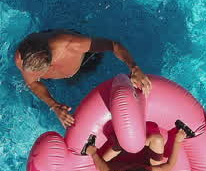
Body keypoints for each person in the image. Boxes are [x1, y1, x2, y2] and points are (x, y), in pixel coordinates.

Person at [14, 30, 152, 127]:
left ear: (51, 62)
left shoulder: (71, 44)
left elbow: (113, 45)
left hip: (84, 61)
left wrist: (134, 68)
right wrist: (54, 105)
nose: (37, 76)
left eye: (41, 73)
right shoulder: (22, 59)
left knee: (80, 77)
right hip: (45, 54)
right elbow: (32, 82)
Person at [82, 120, 195, 171]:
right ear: (144, 168)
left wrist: (93, 153)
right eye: (134, 165)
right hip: (139, 156)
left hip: (120, 159)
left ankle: (122, 144)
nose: (131, 164)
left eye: (127, 169)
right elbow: (170, 164)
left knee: (101, 164)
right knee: (157, 139)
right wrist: (177, 140)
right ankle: (134, 142)